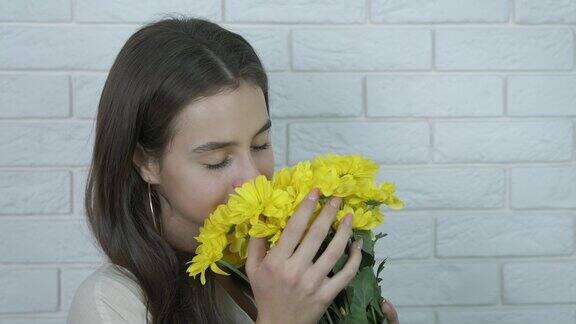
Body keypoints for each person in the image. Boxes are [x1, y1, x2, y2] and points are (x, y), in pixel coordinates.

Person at [67, 16, 400, 324]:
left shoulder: (290, 272)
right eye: (217, 160)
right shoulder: (111, 304)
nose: (253, 178)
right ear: (146, 162)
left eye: (260, 144)